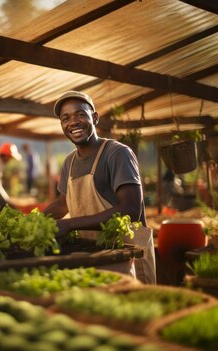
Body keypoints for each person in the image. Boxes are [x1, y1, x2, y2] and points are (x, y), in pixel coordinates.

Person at [42, 91, 155, 283]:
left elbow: (131, 210)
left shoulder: (117, 153)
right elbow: (63, 203)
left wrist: (69, 224)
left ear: (94, 118)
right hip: (92, 254)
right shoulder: (69, 162)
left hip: (126, 257)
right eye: (65, 118)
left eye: (80, 114)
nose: (73, 122)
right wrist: (36, 221)